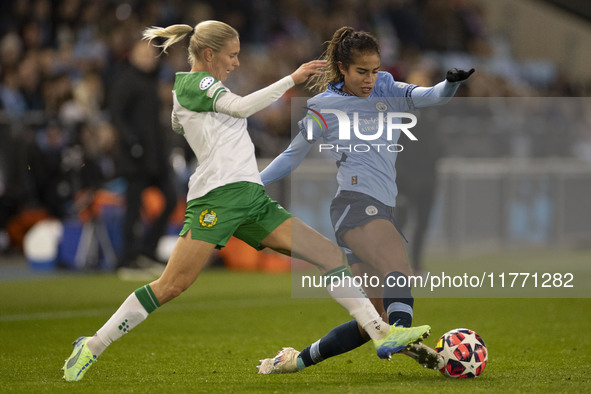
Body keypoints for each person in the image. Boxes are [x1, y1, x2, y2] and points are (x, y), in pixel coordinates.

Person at [62, 21, 433, 382]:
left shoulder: (194, 90)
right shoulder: (199, 82)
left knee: (330, 256)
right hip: (218, 200)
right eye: (232, 55)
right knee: (171, 285)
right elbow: (240, 108)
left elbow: (180, 121)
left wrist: (185, 117)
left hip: (252, 198)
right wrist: (293, 78)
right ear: (209, 54)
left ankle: (381, 332)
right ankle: (92, 345)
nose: (237, 63)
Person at [257, 27, 473, 374]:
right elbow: (292, 156)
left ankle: (295, 361)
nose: (370, 79)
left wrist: (451, 83)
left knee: (371, 319)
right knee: (398, 267)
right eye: (362, 71)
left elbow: (433, 96)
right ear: (343, 68)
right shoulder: (324, 106)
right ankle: (400, 334)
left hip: (378, 206)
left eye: (374, 70)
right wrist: (253, 182)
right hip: (354, 204)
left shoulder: (387, 86)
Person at [109, 38, 177, 278]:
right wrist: (132, 143)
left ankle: (146, 251)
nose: (148, 58)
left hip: (155, 158)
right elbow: (117, 115)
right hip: (134, 158)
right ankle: (127, 259)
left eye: (151, 54)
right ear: (132, 55)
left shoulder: (151, 82)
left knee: (171, 199)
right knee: (133, 209)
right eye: (143, 53)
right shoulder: (126, 81)